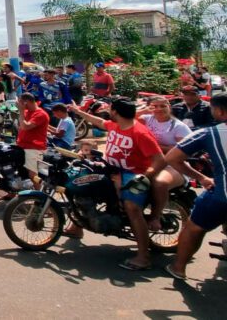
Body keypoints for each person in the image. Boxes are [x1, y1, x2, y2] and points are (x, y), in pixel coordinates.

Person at [68, 98, 165, 271]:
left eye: (111, 110)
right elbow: (98, 121)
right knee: (82, 182)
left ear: (116, 112)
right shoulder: (116, 126)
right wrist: (78, 112)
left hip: (131, 174)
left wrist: (142, 177)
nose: (108, 112)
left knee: (131, 208)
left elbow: (159, 160)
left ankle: (143, 257)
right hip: (111, 168)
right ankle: (77, 226)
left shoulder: (140, 133)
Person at [165, 93, 227, 280]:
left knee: (194, 228)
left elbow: (172, 158)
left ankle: (178, 267)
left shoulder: (210, 133)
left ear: (220, 111)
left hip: (222, 195)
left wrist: (200, 178)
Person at [137, 96, 194, 232]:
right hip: (148, 162)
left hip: (173, 165)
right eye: (154, 106)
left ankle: (155, 217)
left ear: (169, 106)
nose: (159, 109)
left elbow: (186, 151)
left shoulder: (179, 127)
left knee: (160, 183)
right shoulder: (146, 119)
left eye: (163, 106)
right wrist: (142, 110)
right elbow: (122, 118)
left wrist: (155, 146)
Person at [15, 93, 49, 189]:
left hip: (34, 148)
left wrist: (21, 111)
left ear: (27, 102)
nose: (19, 104)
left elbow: (25, 127)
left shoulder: (40, 114)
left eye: (21, 102)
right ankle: (11, 192)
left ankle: (40, 197)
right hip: (21, 145)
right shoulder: (26, 112)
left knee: (33, 175)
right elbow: (20, 127)